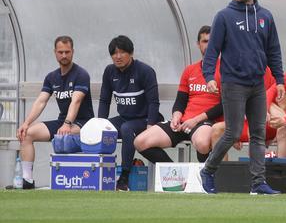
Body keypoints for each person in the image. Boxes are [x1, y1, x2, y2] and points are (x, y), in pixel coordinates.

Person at [200, 0, 285, 194]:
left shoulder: (265, 16)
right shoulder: (224, 16)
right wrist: (209, 76)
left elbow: (274, 50)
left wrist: (280, 80)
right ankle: (208, 170)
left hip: (257, 84)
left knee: (258, 133)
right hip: (233, 83)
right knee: (233, 133)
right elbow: (212, 50)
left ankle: (258, 183)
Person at [134, 25, 223, 163]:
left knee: (202, 143)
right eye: (205, 41)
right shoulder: (189, 70)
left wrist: (195, 120)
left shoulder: (226, 71)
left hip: (205, 122)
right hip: (183, 122)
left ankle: (205, 179)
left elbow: (224, 106)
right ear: (198, 44)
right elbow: (180, 100)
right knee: (140, 141)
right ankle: (176, 175)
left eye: (212, 42)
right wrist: (176, 115)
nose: (208, 45)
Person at [16, 36, 94, 189]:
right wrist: (25, 123)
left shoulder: (81, 74)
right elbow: (41, 102)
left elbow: (76, 101)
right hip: (63, 121)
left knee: (63, 136)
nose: (64, 55)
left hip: (83, 122)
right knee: (27, 134)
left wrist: (67, 124)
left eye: (67, 52)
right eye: (60, 52)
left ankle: (73, 180)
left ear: (73, 52)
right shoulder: (52, 77)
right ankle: (27, 181)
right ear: (55, 53)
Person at [98, 35, 160, 191]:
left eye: (122, 52)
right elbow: (105, 100)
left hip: (145, 119)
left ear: (131, 53)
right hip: (124, 118)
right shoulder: (109, 71)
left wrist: (150, 127)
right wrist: (100, 124)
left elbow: (154, 102)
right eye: (114, 53)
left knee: (127, 129)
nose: (118, 57)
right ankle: (99, 174)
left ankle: (124, 177)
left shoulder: (145, 71)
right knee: (101, 129)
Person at [210, 67, 284, 161]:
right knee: (216, 129)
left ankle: (256, 171)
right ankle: (222, 173)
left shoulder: (272, 74)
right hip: (242, 123)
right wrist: (232, 134)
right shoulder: (232, 74)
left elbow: (285, 108)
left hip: (268, 123)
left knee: (255, 122)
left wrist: (277, 131)